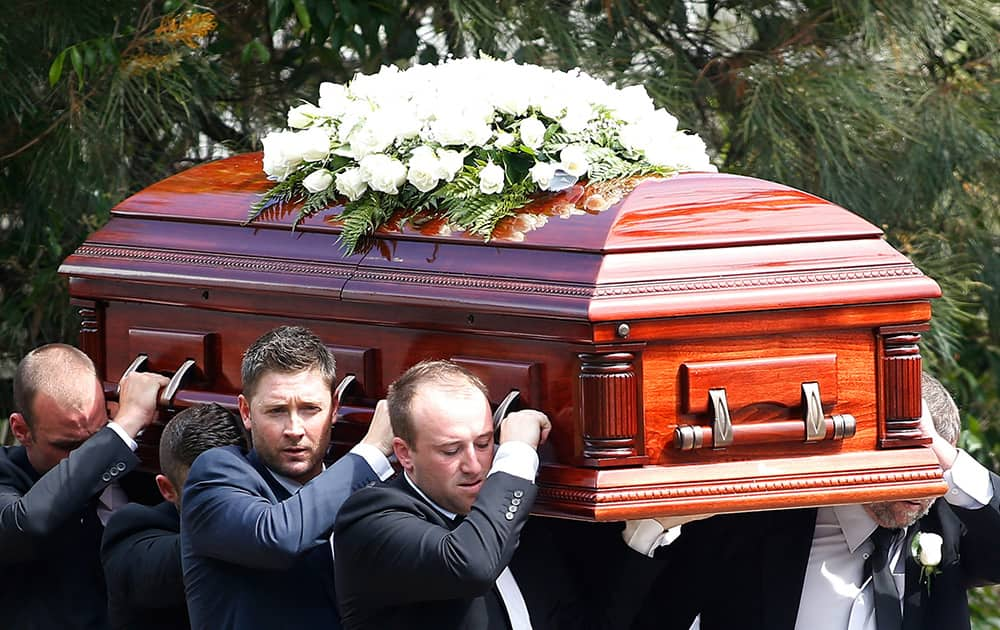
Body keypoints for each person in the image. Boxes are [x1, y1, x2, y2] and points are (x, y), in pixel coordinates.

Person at [632, 372, 1000, 630]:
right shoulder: (763, 521)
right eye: (903, 462)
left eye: (931, 466)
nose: (917, 487)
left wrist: (945, 460)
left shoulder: (953, 527)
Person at [180, 325, 394, 630]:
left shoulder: (368, 489)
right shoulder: (214, 476)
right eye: (277, 410)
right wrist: (370, 452)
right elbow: (277, 537)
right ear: (245, 411)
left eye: (310, 409)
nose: (294, 429)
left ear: (334, 408)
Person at [334, 359, 553, 629]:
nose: (474, 466)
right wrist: (518, 453)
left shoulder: (510, 518)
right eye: (451, 451)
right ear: (404, 453)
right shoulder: (370, 519)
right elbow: (472, 565)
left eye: (483, 444)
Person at [0, 343, 168, 629]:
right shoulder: (7, 474)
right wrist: (122, 428)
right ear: (21, 430)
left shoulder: (143, 468)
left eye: (97, 436)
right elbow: (26, 524)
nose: (87, 455)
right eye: (69, 445)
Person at [101, 403, 248, 630]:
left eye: (236, 488)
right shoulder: (132, 534)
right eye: (204, 493)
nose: (223, 506)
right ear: (167, 489)